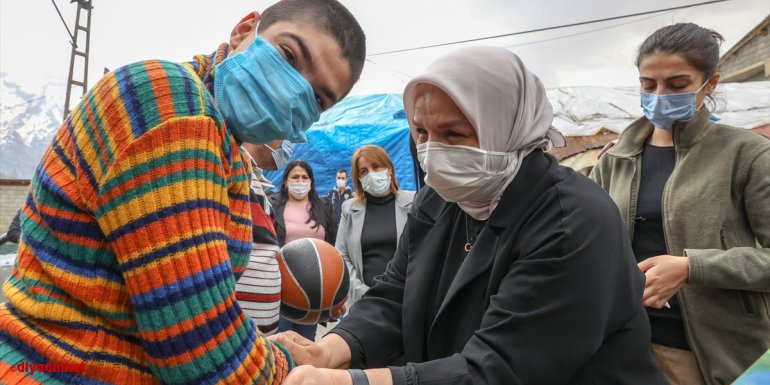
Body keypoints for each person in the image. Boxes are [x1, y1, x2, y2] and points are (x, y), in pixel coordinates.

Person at [0, 0, 365, 383]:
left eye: (316, 99)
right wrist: (302, 371)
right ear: (244, 30)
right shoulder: (169, 102)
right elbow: (200, 349)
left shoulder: (226, 147)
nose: (292, 93)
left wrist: (267, 347)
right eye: (288, 56)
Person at [272, 46, 667, 385]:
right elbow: (394, 296)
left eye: (455, 134)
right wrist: (327, 352)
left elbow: (499, 369)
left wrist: (349, 380)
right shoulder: (438, 201)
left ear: (508, 128)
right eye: (422, 133)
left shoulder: (571, 222)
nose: (432, 153)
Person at [590, 23, 770, 385]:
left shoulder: (746, 154)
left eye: (677, 85)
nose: (659, 95)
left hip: (711, 351)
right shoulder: (616, 159)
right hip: (625, 346)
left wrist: (692, 266)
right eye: (648, 85)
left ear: (711, 82)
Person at [336, 145, 414, 306]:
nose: (371, 174)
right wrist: (363, 292)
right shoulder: (349, 209)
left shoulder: (414, 202)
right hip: (364, 301)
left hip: (406, 299)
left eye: (376, 166)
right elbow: (341, 255)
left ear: (389, 169)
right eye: (363, 171)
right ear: (358, 178)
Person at [271, 160, 337, 341]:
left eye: (304, 177)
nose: (300, 181)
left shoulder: (323, 206)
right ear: (285, 181)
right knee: (280, 341)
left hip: (315, 290)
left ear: (311, 181)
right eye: (295, 177)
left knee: (306, 343)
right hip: (282, 288)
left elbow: (334, 245)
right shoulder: (273, 205)